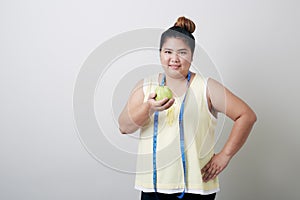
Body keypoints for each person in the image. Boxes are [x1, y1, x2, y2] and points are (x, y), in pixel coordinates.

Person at [118, 16, 257, 200]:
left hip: (196, 188)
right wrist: (148, 108)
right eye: (168, 51)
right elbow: (124, 127)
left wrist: (225, 156)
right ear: (160, 53)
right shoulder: (145, 86)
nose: (174, 59)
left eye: (182, 52)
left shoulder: (207, 87)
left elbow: (246, 116)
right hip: (153, 188)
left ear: (192, 55)